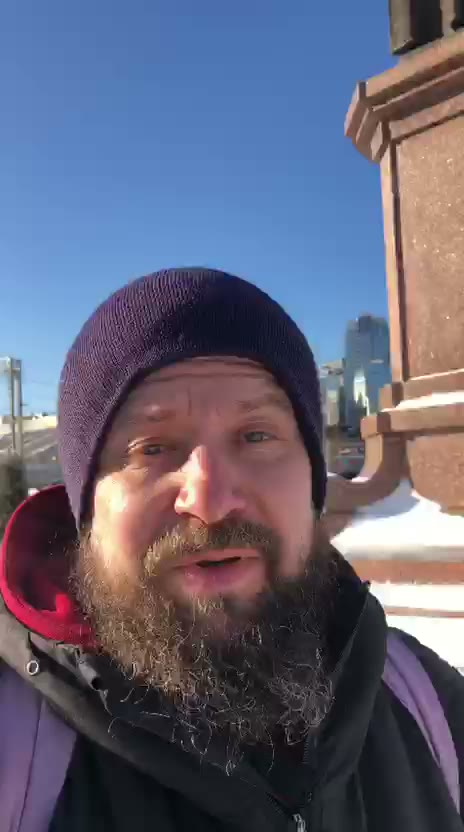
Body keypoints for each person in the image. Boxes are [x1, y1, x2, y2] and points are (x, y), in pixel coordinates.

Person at [0, 267, 462, 832]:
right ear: (86, 510)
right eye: (152, 448)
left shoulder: (427, 704)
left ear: (312, 483)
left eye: (256, 436)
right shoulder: (14, 745)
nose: (211, 501)